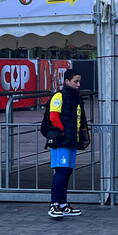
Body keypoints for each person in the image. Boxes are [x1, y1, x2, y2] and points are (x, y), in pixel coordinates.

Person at [44, 69, 90, 219]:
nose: (78, 84)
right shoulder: (59, 96)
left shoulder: (76, 98)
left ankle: (62, 204)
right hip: (62, 141)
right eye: (75, 81)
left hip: (71, 141)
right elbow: (53, 117)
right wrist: (63, 132)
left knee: (67, 172)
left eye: (79, 81)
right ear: (67, 81)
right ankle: (54, 204)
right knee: (61, 171)